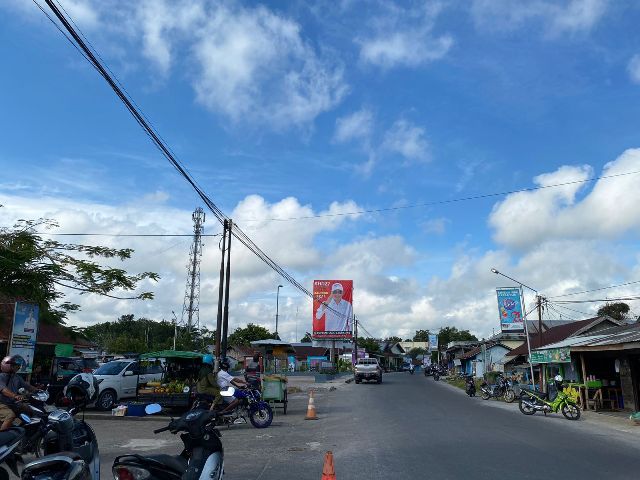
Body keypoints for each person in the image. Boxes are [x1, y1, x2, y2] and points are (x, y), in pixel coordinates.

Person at [0, 355, 38, 431]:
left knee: (29, 409)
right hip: (1, 403)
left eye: (19, 365)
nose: (18, 367)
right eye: (16, 365)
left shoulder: (17, 377)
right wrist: (15, 396)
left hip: (12, 403)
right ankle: (2, 437)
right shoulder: (1, 376)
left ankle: (25, 431)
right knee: (10, 415)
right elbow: (4, 390)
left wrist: (37, 390)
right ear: (8, 366)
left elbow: (27, 386)